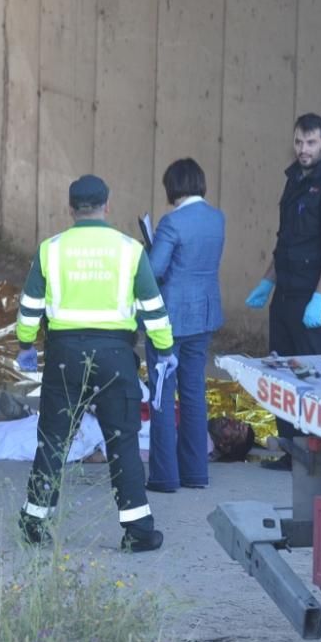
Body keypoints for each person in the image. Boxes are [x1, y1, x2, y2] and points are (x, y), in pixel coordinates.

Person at [14, 174, 176, 553]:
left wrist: (25, 344)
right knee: (122, 441)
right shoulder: (130, 250)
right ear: (108, 204)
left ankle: (35, 521)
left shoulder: (50, 249)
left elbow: (29, 308)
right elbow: (153, 308)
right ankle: (138, 530)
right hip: (116, 355)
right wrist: (164, 348)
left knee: (54, 438)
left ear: (70, 209)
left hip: (64, 353)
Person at [245, 113, 321, 470]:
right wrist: (268, 281)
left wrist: (320, 298)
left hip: (316, 297)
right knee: (281, 371)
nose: (303, 149)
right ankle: (291, 452)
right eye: (298, 142)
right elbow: (287, 241)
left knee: (311, 375)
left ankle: (318, 456)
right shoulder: (294, 180)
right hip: (287, 294)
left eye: (311, 143)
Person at [145, 158, 225, 493]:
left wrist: (146, 248)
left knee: (162, 394)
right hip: (204, 316)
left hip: (170, 319)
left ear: (173, 187)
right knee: (193, 393)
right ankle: (195, 472)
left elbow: (155, 269)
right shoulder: (217, 219)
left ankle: (164, 476)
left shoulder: (171, 223)